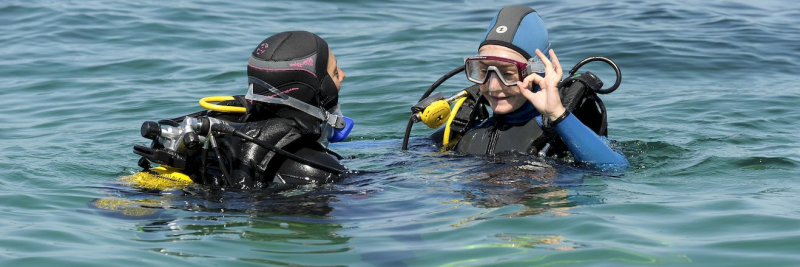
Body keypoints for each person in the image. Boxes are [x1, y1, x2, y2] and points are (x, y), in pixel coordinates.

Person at [134, 31, 353, 189]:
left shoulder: (226, 135)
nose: (342, 75)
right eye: (334, 73)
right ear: (317, 89)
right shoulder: (318, 168)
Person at [451, 6, 627, 165]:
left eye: (508, 74)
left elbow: (615, 167)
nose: (493, 86)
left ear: (536, 70)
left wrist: (557, 113)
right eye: (483, 72)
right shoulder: (471, 132)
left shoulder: (561, 132)